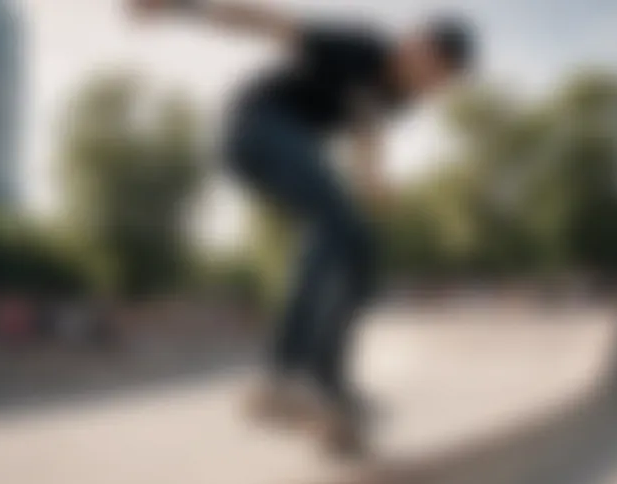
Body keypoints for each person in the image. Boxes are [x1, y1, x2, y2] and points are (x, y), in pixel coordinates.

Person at [129, 0, 477, 453]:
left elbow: (366, 131)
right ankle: (285, 375)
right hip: (256, 126)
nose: (428, 87)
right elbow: (271, 24)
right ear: (416, 46)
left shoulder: (398, 98)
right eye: (431, 72)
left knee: (361, 247)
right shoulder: (360, 46)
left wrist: (374, 186)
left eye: (439, 84)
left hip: (294, 147)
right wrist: (182, 9)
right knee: (333, 222)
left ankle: (329, 390)